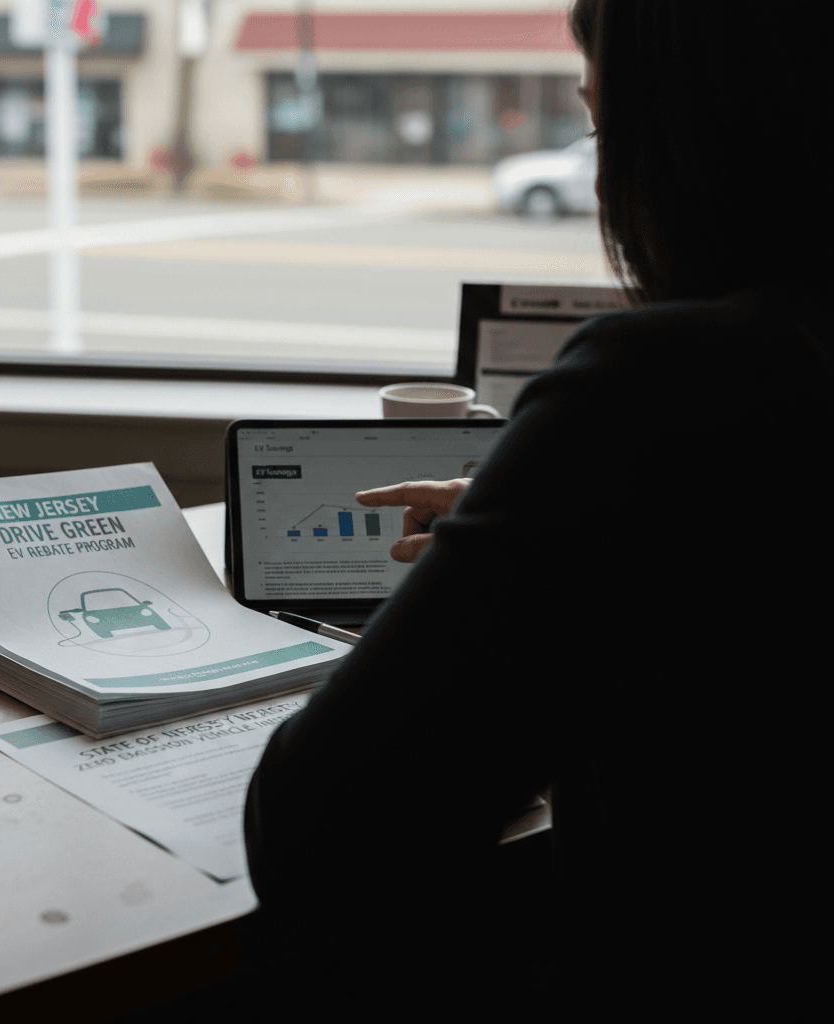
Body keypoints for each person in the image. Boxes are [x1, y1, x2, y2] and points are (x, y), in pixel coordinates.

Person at [242, 0, 831, 1015]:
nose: (603, 176)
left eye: (604, 129)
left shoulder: (664, 384)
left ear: (702, 136)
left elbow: (320, 835)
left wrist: (527, 561)